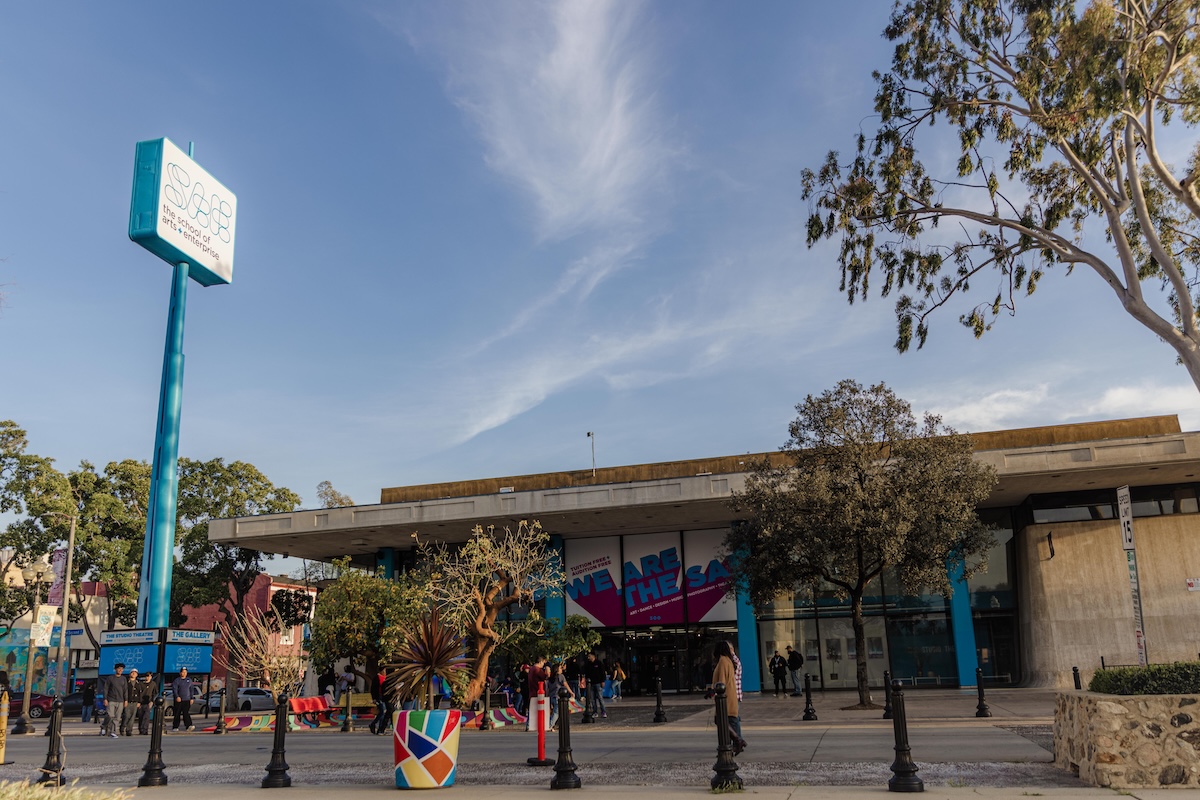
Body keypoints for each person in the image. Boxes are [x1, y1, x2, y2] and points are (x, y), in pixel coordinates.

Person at [713, 641, 747, 755]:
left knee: (722, 720)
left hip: (726, 697)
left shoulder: (723, 661)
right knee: (728, 721)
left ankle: (737, 741)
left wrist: (716, 692)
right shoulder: (729, 660)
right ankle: (734, 742)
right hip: (731, 694)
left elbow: (721, 681)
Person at [524, 657, 549, 731]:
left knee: (532, 709)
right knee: (538, 709)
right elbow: (545, 677)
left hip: (532, 691)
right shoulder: (537, 670)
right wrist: (547, 671)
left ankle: (528, 725)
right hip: (538, 692)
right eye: (543, 663)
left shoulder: (531, 669)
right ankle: (531, 725)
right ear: (540, 662)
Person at [546, 663, 573, 731]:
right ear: (557, 669)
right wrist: (571, 692)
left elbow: (547, 689)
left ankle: (553, 725)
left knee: (554, 712)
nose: (562, 669)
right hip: (558, 696)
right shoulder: (560, 676)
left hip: (551, 696)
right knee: (556, 713)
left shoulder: (550, 678)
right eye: (560, 668)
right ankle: (550, 725)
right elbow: (565, 685)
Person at [170, 667, 197, 732]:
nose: (184, 673)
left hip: (187, 699)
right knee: (177, 713)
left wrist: (191, 698)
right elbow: (175, 689)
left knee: (186, 713)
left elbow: (191, 690)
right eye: (183, 672)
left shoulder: (189, 680)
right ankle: (175, 727)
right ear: (180, 673)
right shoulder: (177, 680)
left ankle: (188, 726)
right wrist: (177, 696)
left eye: (185, 672)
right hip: (179, 700)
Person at [584, 652, 607, 719]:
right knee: (592, 699)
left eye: (589, 656)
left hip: (598, 683)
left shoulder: (599, 663)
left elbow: (602, 672)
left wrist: (602, 681)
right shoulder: (588, 664)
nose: (588, 658)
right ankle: (595, 712)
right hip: (591, 683)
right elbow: (586, 673)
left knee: (600, 697)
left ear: (593, 656)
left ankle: (603, 711)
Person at [121, 668, 140, 736]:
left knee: (132, 717)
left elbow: (139, 693)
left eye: (135, 673)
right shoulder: (126, 682)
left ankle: (129, 730)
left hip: (135, 702)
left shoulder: (138, 683)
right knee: (126, 716)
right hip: (127, 701)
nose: (133, 674)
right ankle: (122, 728)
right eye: (132, 672)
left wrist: (139, 702)